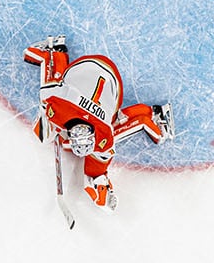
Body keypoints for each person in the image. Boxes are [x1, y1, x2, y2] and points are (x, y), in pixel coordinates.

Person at [23, 35, 172, 209]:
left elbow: (50, 93)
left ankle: (155, 113)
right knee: (45, 132)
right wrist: (100, 188)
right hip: (99, 72)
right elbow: (96, 172)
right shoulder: (66, 113)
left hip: (96, 71)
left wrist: (49, 122)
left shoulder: (97, 131)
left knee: (51, 128)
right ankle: (56, 51)